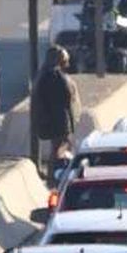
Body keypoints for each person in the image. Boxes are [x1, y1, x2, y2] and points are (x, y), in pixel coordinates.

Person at [30, 44, 80, 173]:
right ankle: (54, 176)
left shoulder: (45, 75)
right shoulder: (54, 76)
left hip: (55, 120)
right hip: (58, 121)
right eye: (65, 59)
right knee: (59, 149)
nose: (67, 63)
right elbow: (66, 97)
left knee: (58, 148)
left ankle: (54, 174)